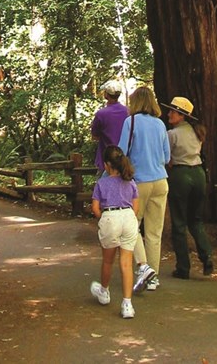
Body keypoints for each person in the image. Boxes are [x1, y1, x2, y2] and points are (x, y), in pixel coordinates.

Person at [117, 85, 170, 293]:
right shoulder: (160, 124)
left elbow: (121, 152)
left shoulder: (130, 123)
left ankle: (144, 266)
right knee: (154, 232)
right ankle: (153, 277)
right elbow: (167, 157)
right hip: (161, 181)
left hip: (139, 182)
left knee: (132, 226)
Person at [162, 96, 213, 279]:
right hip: (199, 175)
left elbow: (166, 157)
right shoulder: (196, 132)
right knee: (196, 219)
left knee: (179, 222)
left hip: (180, 175)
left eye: (173, 111)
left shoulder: (172, 134)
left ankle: (183, 267)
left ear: (182, 115)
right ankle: (207, 255)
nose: (169, 114)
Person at [90, 144, 140, 319]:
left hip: (111, 217)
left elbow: (95, 208)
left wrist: (103, 218)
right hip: (128, 218)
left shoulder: (102, 183)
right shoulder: (131, 182)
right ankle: (127, 304)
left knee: (108, 261)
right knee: (126, 263)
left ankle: (104, 292)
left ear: (106, 165)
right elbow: (136, 207)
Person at [90, 79, 129, 172]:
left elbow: (94, 136)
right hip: (125, 159)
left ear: (106, 95)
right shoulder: (128, 112)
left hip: (107, 162)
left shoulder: (101, 114)